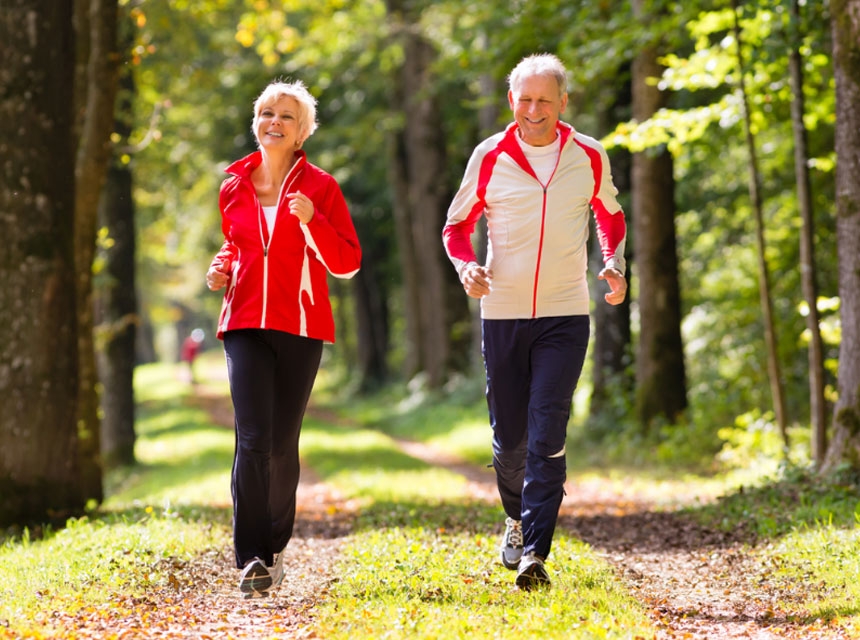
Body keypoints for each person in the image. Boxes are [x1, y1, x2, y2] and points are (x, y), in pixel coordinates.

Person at [442, 53, 627, 590]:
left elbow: (609, 214)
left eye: (545, 99)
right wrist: (465, 266)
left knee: (548, 429)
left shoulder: (589, 154)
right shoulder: (489, 155)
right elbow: (456, 227)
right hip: (502, 311)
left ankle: (535, 554)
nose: (534, 109)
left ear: (563, 102)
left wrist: (613, 261)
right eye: (525, 99)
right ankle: (516, 517)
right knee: (510, 439)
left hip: (565, 312)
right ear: (511, 102)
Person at [206, 79, 361, 598]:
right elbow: (236, 247)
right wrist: (221, 268)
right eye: (266, 113)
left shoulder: (321, 187)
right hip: (244, 323)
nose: (274, 122)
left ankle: (273, 547)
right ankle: (250, 557)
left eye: (286, 117)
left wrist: (313, 221)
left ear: (302, 133)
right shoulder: (233, 186)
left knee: (279, 443)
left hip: (301, 325)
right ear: (256, 122)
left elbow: (347, 262)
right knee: (251, 438)